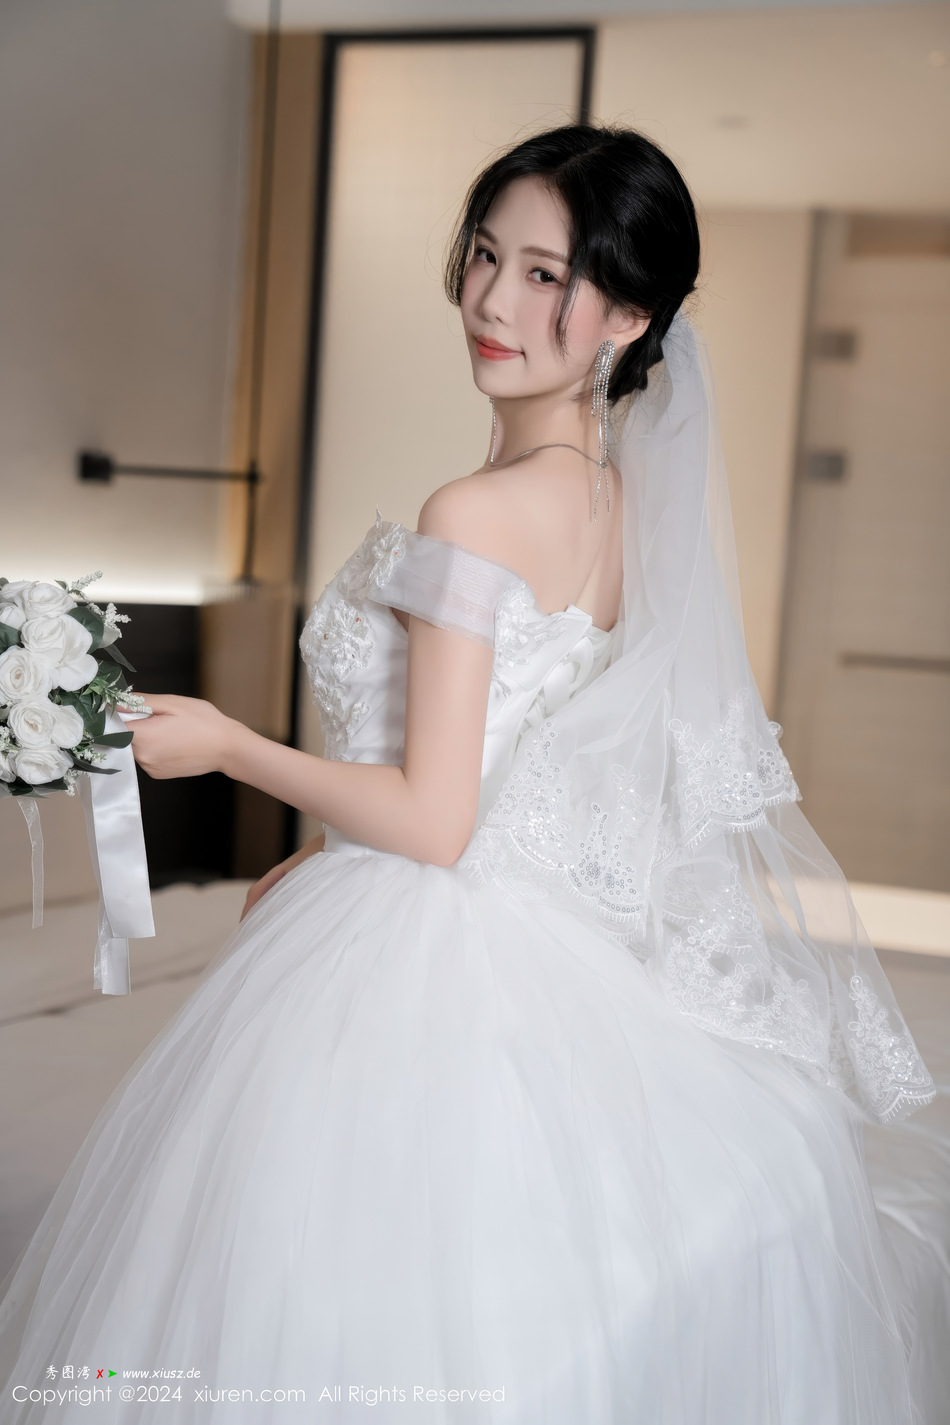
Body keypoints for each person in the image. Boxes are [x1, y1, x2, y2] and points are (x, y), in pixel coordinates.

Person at [0, 124, 936, 1423]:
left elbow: (436, 819)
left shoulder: (476, 512)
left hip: (421, 931)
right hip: (495, 917)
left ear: (628, 317)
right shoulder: (611, 503)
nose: (494, 301)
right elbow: (504, 763)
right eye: (486, 255)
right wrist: (313, 857)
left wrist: (228, 746)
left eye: (547, 276)